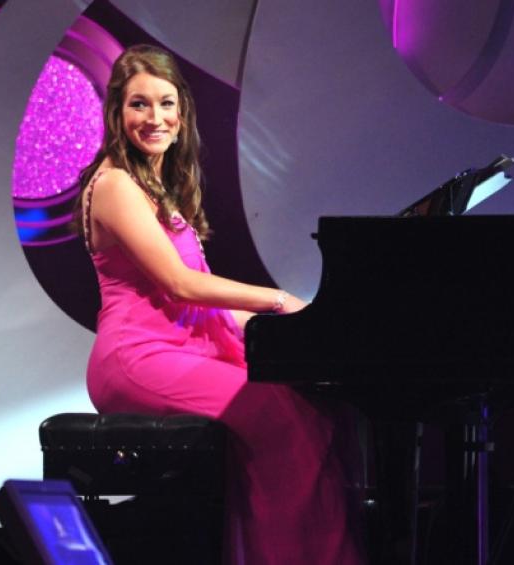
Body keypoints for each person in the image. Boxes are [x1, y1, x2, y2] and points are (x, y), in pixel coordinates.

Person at [76, 43, 362, 564]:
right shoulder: (116, 184)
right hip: (137, 357)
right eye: (139, 104)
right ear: (117, 112)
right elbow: (181, 285)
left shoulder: (158, 187)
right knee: (277, 413)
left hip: (182, 346)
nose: (154, 118)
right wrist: (278, 300)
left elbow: (208, 305)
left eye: (166, 104)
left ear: (182, 115)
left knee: (311, 406)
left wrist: (305, 319)